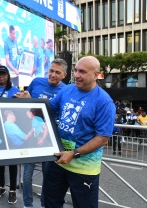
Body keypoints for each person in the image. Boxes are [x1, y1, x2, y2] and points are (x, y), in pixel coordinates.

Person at [44, 56, 116, 208]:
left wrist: (73, 153)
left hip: (84, 168)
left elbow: (102, 138)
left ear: (96, 75)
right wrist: (29, 102)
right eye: (75, 70)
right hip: (58, 161)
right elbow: (49, 110)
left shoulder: (104, 101)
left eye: (82, 72)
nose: (76, 75)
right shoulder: (67, 90)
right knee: (50, 203)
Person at [15, 58, 68, 208]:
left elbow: (55, 114)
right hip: (31, 136)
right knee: (27, 175)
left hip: (49, 138)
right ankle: (27, 205)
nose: (52, 74)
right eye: (51, 71)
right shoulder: (37, 82)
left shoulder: (66, 90)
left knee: (48, 176)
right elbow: (24, 106)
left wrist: (31, 100)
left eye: (57, 72)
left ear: (64, 75)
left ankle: (45, 204)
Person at [0, 65, 20, 204]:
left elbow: (20, 111)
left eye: (3, 75)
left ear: (8, 76)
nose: (1, 77)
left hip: (10, 130)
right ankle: (1, 186)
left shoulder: (15, 91)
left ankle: (12, 189)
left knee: (12, 162)